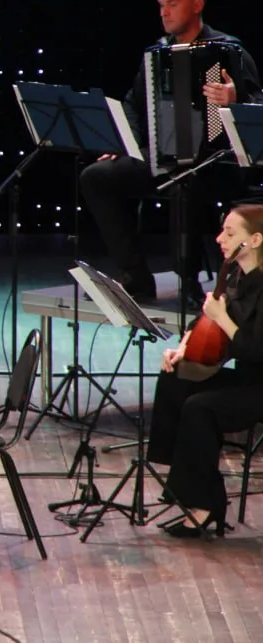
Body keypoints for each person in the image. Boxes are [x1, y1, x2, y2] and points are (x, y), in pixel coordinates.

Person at [80, 0, 259, 301]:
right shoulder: (157, 53)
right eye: (161, 5)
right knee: (96, 177)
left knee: (188, 179)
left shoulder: (227, 50)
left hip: (219, 162)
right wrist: (127, 144)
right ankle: (135, 276)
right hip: (165, 156)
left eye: (172, 4)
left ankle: (188, 279)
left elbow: (257, 106)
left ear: (197, 5)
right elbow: (132, 103)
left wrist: (236, 99)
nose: (164, 12)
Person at [150, 204, 263, 537]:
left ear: (255, 239)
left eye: (229, 233)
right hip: (247, 377)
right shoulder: (234, 275)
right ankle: (185, 487)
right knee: (176, 378)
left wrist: (222, 317)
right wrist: (183, 349)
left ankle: (204, 503)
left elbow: (254, 348)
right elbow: (206, 326)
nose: (219, 239)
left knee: (199, 407)